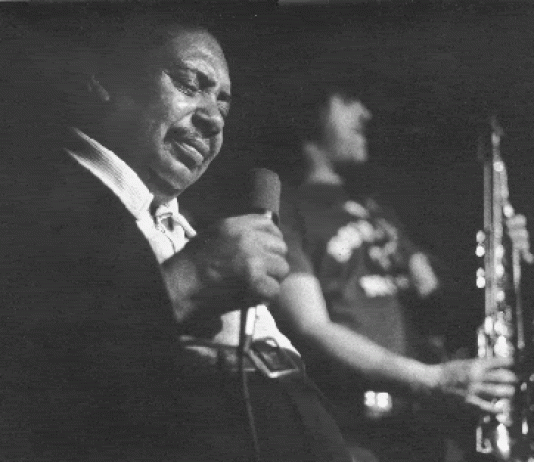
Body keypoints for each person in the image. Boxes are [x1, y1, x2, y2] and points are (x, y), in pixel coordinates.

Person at [0, 7, 357, 462]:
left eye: (223, 104)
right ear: (105, 80)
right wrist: (190, 280)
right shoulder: (31, 196)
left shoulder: (185, 225)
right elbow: (30, 380)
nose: (214, 120)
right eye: (190, 85)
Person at [275, 87, 530, 462]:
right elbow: (310, 326)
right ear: (310, 113)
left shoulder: (376, 208)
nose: (365, 112)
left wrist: (511, 263)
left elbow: (438, 304)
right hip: (355, 435)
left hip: (427, 429)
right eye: (348, 99)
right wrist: (432, 379)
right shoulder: (288, 207)